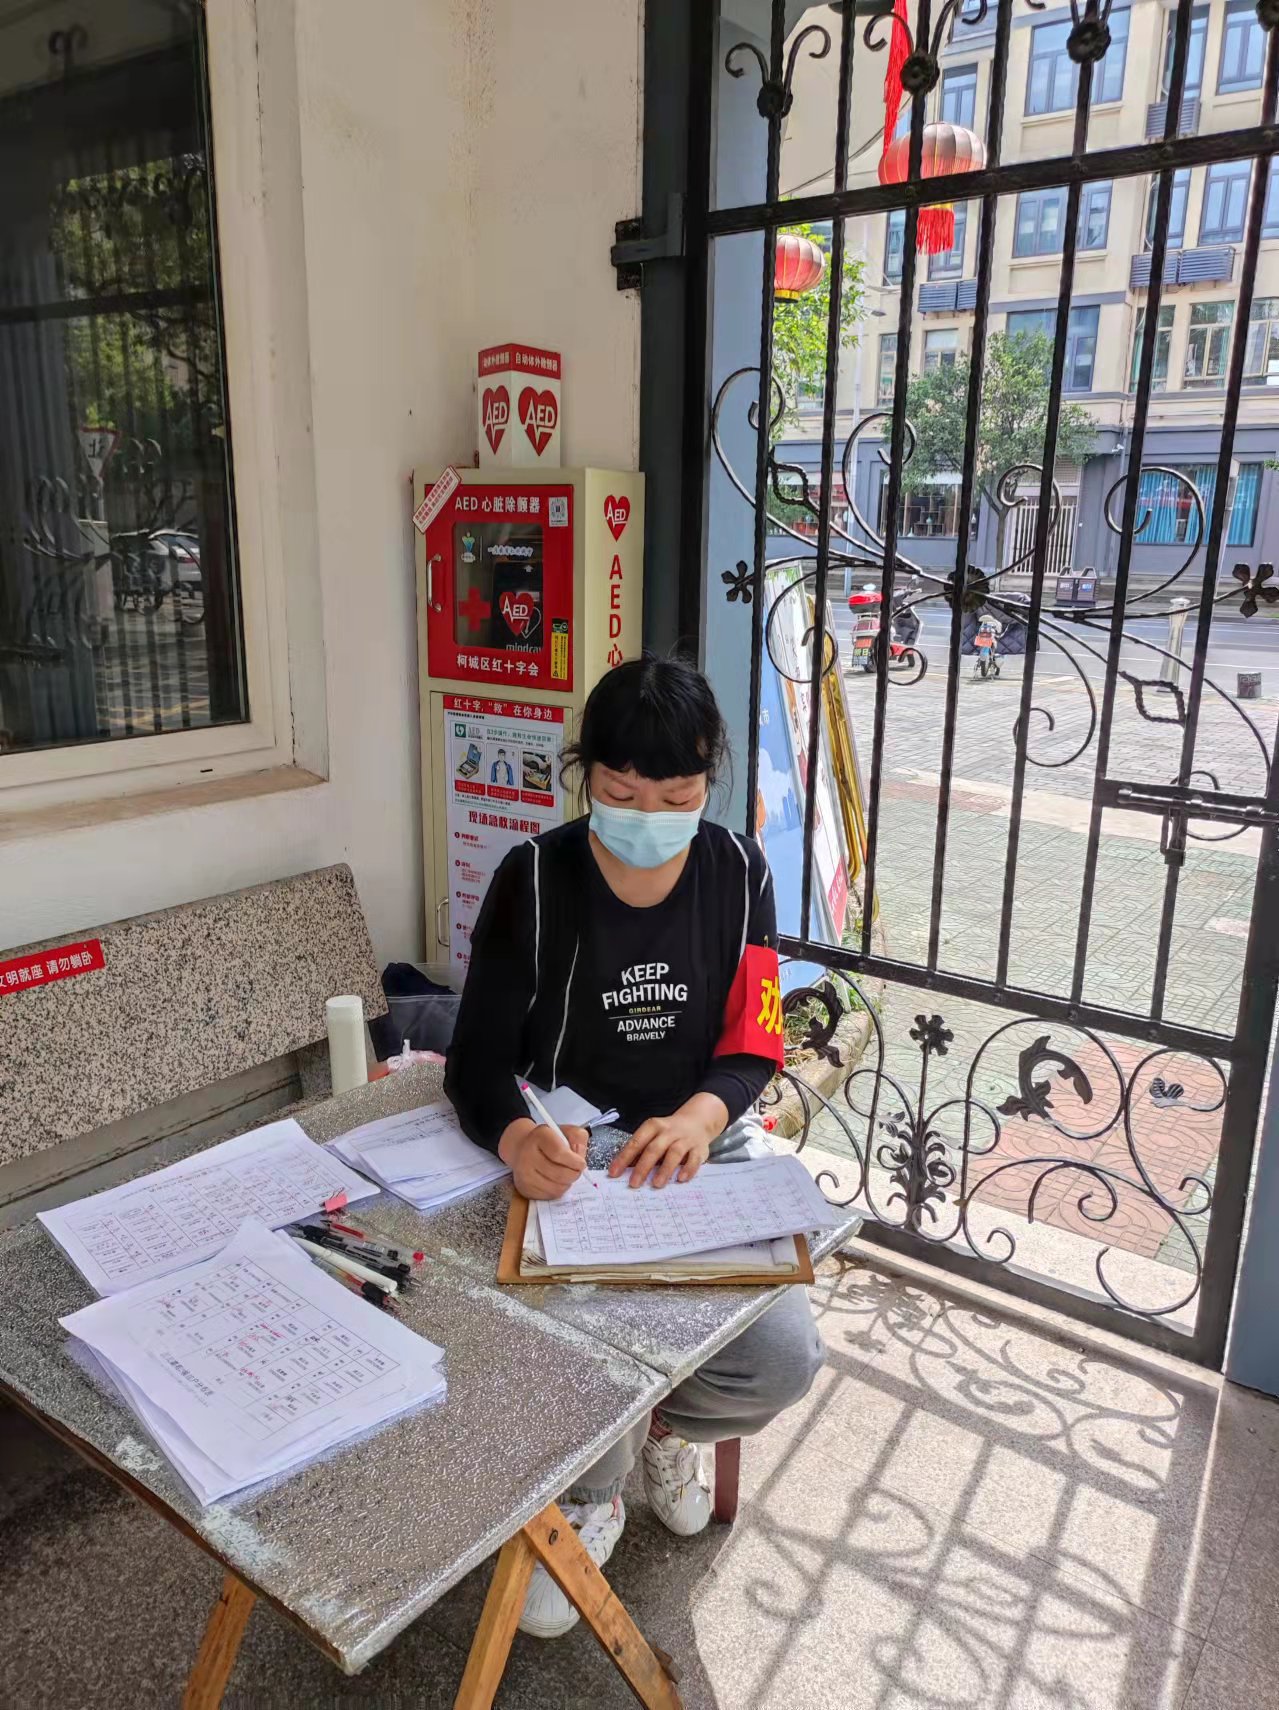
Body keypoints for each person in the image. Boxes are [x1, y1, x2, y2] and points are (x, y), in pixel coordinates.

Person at [446, 655, 825, 1640]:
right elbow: (475, 1059)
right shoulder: (534, 877)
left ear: (709, 784)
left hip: (702, 1142)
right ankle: (591, 1488)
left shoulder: (739, 871)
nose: (647, 814)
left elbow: (758, 1038)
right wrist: (518, 1136)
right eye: (619, 792)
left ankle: (654, 1427)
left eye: (677, 797)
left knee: (781, 1361)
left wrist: (702, 1117)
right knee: (576, 1341)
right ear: (585, 775)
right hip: (574, 1145)